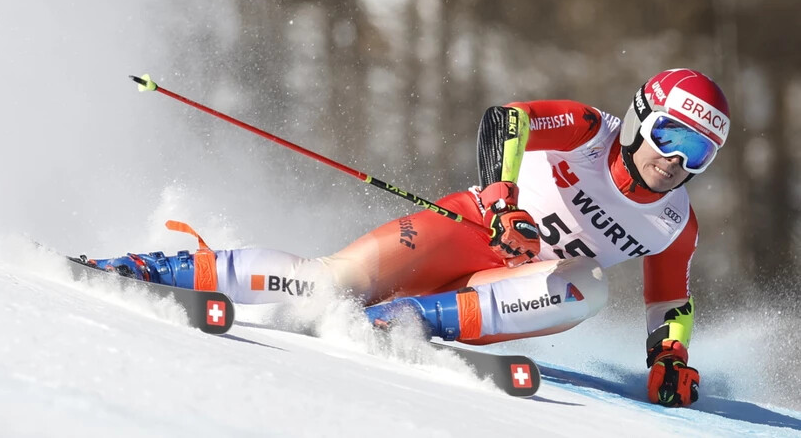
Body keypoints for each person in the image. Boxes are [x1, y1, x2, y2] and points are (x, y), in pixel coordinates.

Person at [86, 68, 730, 408]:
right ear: (644, 116)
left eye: (698, 151)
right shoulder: (589, 129)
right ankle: (144, 268)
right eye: (672, 135)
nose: (677, 161)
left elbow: (668, 299)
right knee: (328, 281)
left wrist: (668, 359)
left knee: (586, 289)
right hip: (465, 231)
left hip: (509, 291)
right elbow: (509, 120)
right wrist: (503, 203)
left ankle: (403, 321)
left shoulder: (674, 221)